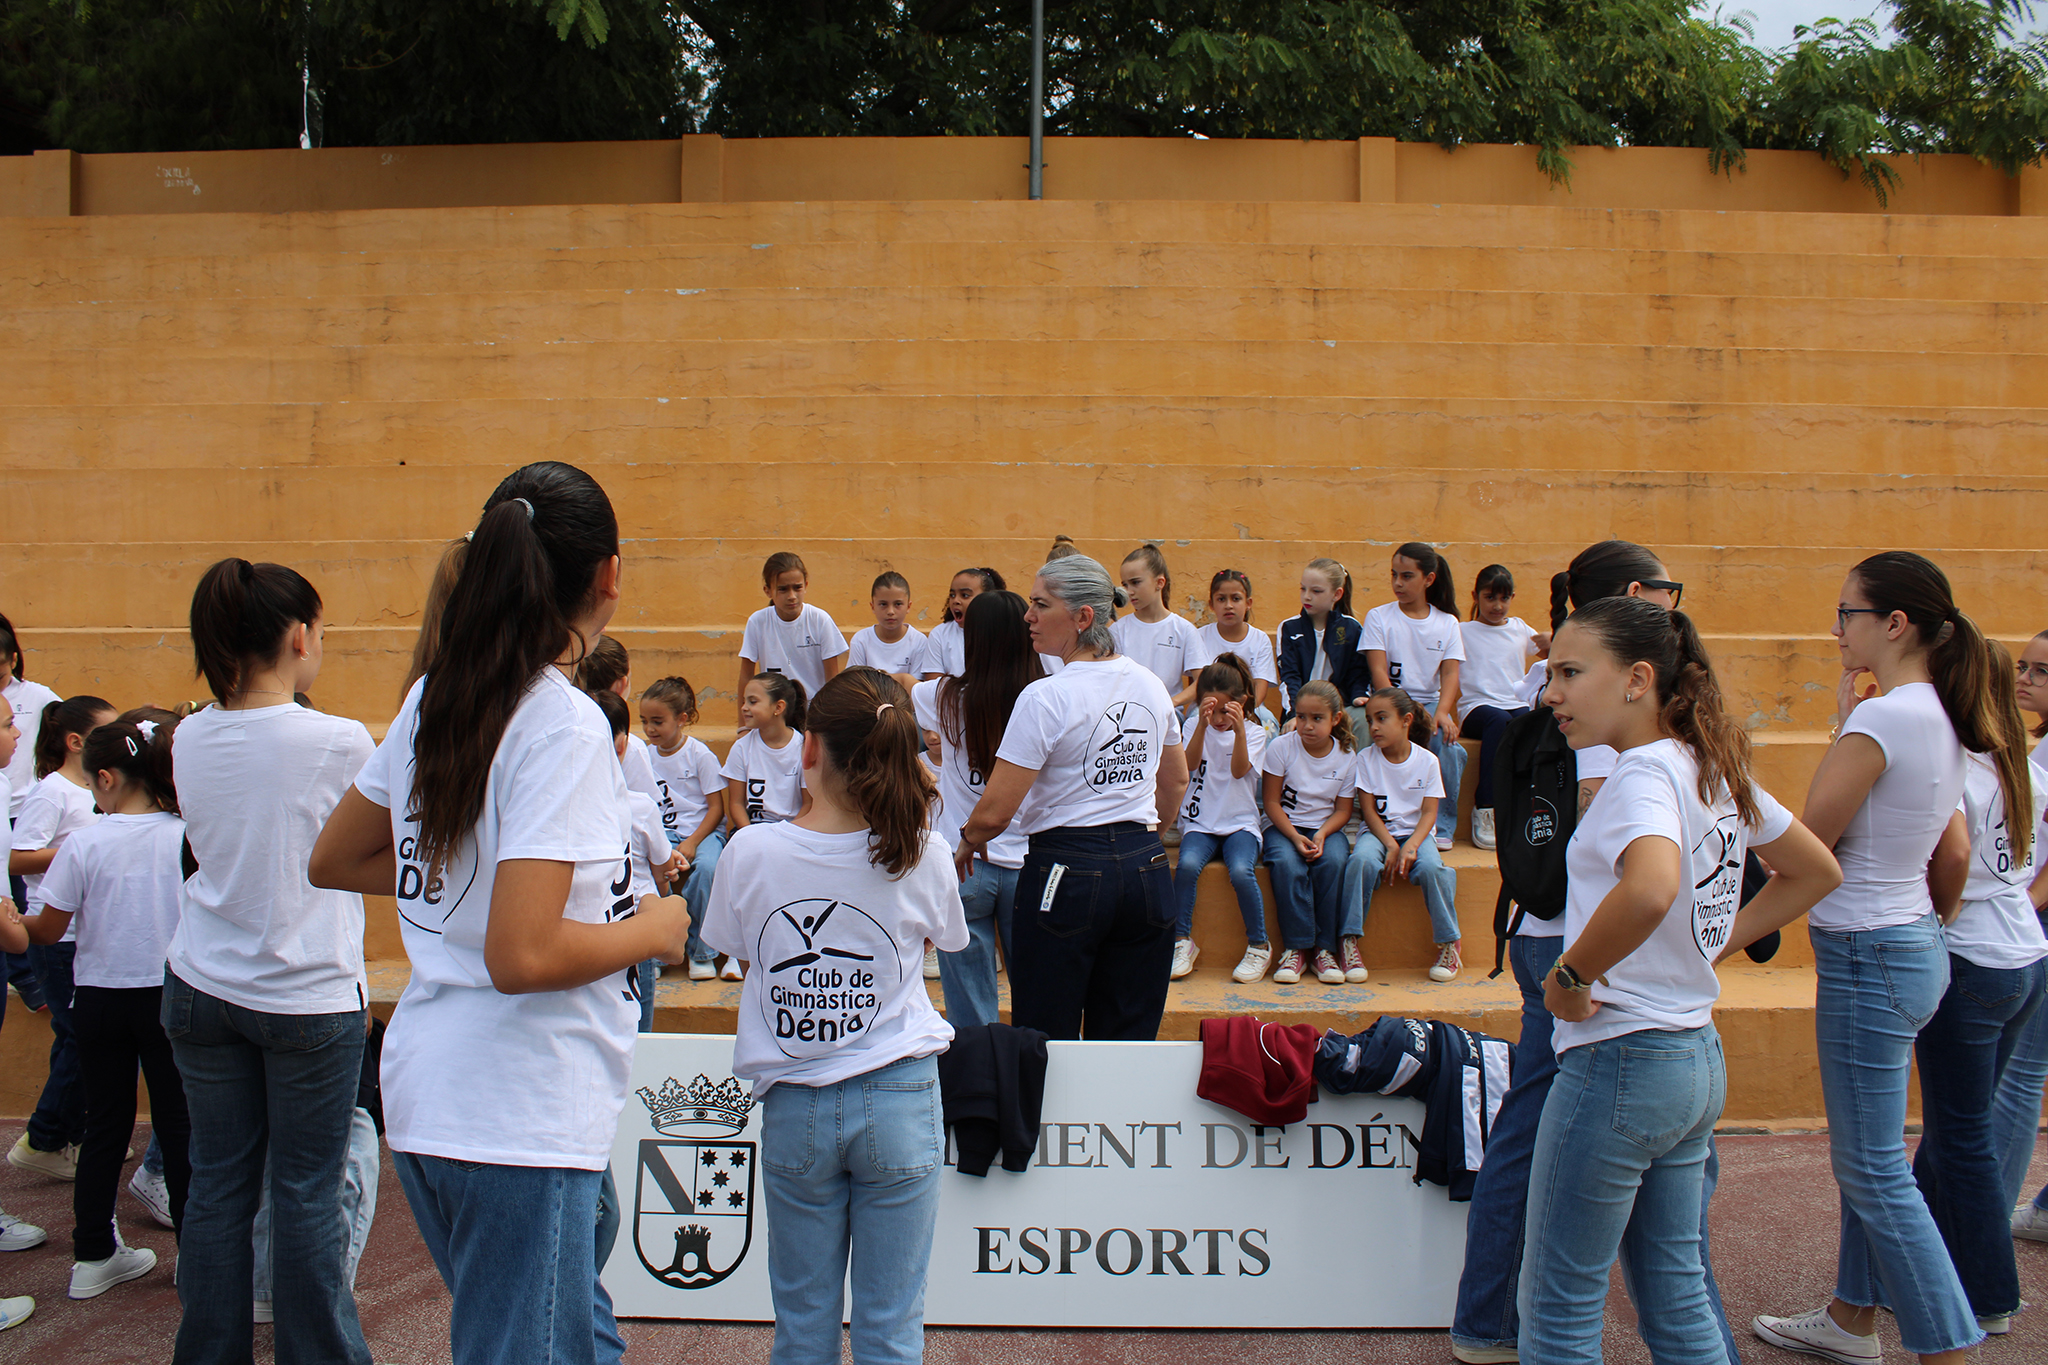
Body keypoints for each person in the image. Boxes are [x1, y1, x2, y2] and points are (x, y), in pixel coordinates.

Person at [310, 461, 691, 1365]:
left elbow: (340, 855)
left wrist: (455, 880)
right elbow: (522, 954)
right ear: (609, 575)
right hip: (517, 1102)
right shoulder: (559, 723)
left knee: (565, 1319)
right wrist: (655, 928)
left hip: (441, 1091)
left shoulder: (434, 697)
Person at [1523, 595, 1839, 1365]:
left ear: (1636, 678)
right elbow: (1814, 869)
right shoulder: (1706, 763)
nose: (1550, 692)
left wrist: (1570, 974)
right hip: (1693, 1055)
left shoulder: (1643, 774)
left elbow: (1651, 886)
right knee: (1675, 1288)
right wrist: (1713, 944)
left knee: (1560, 1305)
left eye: (1569, 671)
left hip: (1621, 1058)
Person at [1754, 550, 2019, 1365]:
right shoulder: (1936, 711)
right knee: (1875, 1157)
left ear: (1894, 623)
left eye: (1847, 614)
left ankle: (1947, 1345)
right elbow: (1951, 852)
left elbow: (1809, 846)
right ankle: (1852, 1317)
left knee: (1870, 1166)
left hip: (1872, 951)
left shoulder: (1886, 718)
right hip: (1909, 943)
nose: (1836, 629)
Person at [1451, 537, 1700, 1365]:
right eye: (1666, 589)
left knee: (1529, 1138)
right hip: (1586, 961)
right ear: (1636, 594)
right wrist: (1575, 973)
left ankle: (1485, 1320)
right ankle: (1491, 1322)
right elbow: (1641, 869)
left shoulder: (1560, 677)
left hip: (1545, 934)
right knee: (1641, 1228)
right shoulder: (1608, 702)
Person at [702, 667, 967, 1365]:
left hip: (798, 1101)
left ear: (809, 749)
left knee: (802, 1327)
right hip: (900, 1095)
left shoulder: (751, 851)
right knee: (890, 1330)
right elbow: (944, 936)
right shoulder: (923, 850)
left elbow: (745, 954)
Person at [167, 558, 376, 1365]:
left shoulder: (189, 733)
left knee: (217, 1184)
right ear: (298, 635)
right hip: (306, 991)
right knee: (305, 1193)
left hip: (200, 980)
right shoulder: (335, 739)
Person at [955, 554, 1188, 1040]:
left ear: (1083, 618)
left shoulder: (1046, 696)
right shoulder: (1148, 684)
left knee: (1046, 1036)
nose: (1028, 616)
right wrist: (1142, 842)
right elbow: (1175, 783)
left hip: (1066, 869)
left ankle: (1046, 1120)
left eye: (1041, 604)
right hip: (1145, 866)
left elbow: (996, 810)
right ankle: (1120, 1119)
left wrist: (967, 843)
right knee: (1127, 1037)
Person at [22, 709, 192, 1300]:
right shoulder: (184, 836)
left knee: (105, 1127)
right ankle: (197, 1257)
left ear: (105, 778)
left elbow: (47, 930)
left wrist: (12, 920)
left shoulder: (86, 841)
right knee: (178, 1125)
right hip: (170, 997)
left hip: (97, 999)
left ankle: (93, 1253)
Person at [1907, 640, 2043, 1335]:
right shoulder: (2017, 762)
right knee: (1957, 1133)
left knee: (1961, 1137)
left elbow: (1950, 857)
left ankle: (1990, 1294)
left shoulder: (1959, 766)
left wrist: (1939, 917)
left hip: (1972, 961)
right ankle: (1914, 1263)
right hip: (2022, 956)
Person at [912, 590, 1040, 1029]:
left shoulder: (944, 696)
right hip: (1031, 864)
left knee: (969, 1012)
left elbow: (893, 689)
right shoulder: (1044, 698)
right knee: (1038, 1001)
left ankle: (981, 1083)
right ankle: (1029, 1079)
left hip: (963, 862)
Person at [7, 694, 116, 1182]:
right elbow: (19, 858)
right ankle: (44, 1138)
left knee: (75, 1037)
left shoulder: (95, 790)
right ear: (75, 742)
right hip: (58, 935)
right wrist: (80, 850)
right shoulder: (52, 792)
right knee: (78, 1038)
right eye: (105, 732)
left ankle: (69, 1133)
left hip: (88, 932)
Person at [1345, 687, 1460, 983]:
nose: (1374, 727)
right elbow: (1369, 812)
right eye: (1370, 720)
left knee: (1434, 868)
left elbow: (1429, 814)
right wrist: (1389, 845)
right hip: (1377, 832)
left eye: (1382, 718)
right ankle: (1348, 941)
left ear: (1406, 720)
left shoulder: (1427, 761)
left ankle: (1449, 943)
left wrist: (1409, 846)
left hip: (1417, 834)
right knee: (1361, 862)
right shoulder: (1366, 759)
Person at [1358, 542, 1467, 851]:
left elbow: (1450, 675)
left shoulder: (1447, 623)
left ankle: (1441, 826)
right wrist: (1403, 705)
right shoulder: (1379, 617)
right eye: (1394, 575)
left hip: (1430, 703)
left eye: (1407, 576)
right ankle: (1369, 819)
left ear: (1429, 579)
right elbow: (1378, 669)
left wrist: (1443, 712)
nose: (1397, 583)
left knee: (1445, 742)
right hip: (1389, 699)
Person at [1169, 653, 1270, 983]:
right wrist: (1200, 723)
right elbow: (1190, 765)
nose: (1219, 718)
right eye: (1212, 710)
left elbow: (1240, 770)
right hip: (1201, 823)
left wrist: (1239, 731)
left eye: (1227, 710)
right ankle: (1181, 941)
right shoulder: (1193, 725)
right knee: (1185, 867)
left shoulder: (1255, 733)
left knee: (1242, 871)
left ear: (1241, 703)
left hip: (1240, 823)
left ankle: (1259, 945)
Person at [1995, 628, 2048, 1236]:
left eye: (2042, 671)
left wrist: (2025, 905)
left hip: (2033, 930)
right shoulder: (2034, 754)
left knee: (2017, 1083)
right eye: (2023, 667)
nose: (2025, 679)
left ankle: (1990, 1220)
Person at [591, 689, 681, 1031]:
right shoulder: (640, 806)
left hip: (594, 925)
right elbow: (662, 870)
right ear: (622, 745)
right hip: (636, 920)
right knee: (639, 1024)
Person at [1259, 681, 1356, 986]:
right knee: (1287, 864)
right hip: (1282, 826)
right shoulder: (1281, 747)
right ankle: (1297, 948)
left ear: (1335, 719)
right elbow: (1271, 802)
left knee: (1333, 862)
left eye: (1317, 718)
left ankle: (1324, 950)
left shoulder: (1346, 755)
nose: (1307, 726)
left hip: (1324, 828)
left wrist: (1322, 834)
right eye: (1301, 717)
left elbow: (1343, 811)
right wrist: (1293, 836)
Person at [639, 675, 727, 982]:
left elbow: (716, 809)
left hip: (702, 832)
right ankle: (660, 949)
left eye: (658, 721)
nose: (650, 729)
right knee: (649, 869)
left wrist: (691, 842)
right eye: (644, 721)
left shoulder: (700, 755)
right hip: (663, 833)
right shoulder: (645, 756)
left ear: (682, 719)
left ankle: (701, 952)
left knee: (707, 869)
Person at [1459, 564, 1544, 851]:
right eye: (1490, 597)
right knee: (1498, 721)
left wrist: (1554, 638)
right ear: (1476, 596)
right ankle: (1485, 807)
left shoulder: (1519, 628)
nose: (1497, 606)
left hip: (1514, 705)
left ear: (1512, 598)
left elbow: (1547, 650)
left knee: (1528, 722)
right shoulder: (1462, 631)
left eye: (1504, 599)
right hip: (1476, 709)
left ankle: (1525, 807)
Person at [737, 551, 846, 705]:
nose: (792, 596)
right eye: (783, 589)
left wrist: (827, 723)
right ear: (768, 591)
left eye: (797, 588)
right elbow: (746, 677)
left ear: (806, 585)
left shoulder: (820, 620)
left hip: (814, 714)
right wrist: (743, 726)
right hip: (773, 714)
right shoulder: (757, 622)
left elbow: (832, 680)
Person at [1111, 544, 1204, 710]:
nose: (1129, 591)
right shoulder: (1118, 630)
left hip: (1170, 717)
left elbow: (1203, 681)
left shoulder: (1183, 629)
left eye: (1135, 582)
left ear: (1159, 583)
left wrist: (1171, 703)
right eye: (1125, 585)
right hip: (1127, 717)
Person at [1276, 558, 1368, 726]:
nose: (1307, 596)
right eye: (1303, 589)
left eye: (1316, 591)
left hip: (1339, 709)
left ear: (1337, 594)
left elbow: (1358, 673)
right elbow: (1289, 677)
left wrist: (1358, 695)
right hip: (1301, 709)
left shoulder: (1352, 628)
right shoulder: (1289, 628)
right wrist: (1296, 713)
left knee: (1362, 717)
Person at [1195, 570, 1280, 728]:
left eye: (1236, 599)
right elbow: (1199, 683)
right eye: (1221, 599)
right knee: (1194, 718)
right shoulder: (1199, 637)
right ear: (1212, 604)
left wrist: (1241, 710)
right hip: (1211, 707)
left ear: (1248, 603)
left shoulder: (1260, 640)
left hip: (1249, 707)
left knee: (1266, 720)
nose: (1228, 605)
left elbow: (1260, 687)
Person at [922, 567, 1006, 680]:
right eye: (952, 595)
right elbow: (932, 684)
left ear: (987, 598)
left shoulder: (1003, 632)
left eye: (965, 595)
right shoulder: (939, 634)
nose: (956, 600)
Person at [846, 571, 929, 682]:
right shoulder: (861, 640)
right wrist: (902, 680)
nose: (890, 611)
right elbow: (856, 683)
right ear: (873, 606)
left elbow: (914, 688)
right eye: (883, 604)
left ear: (909, 606)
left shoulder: (919, 641)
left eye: (898, 604)